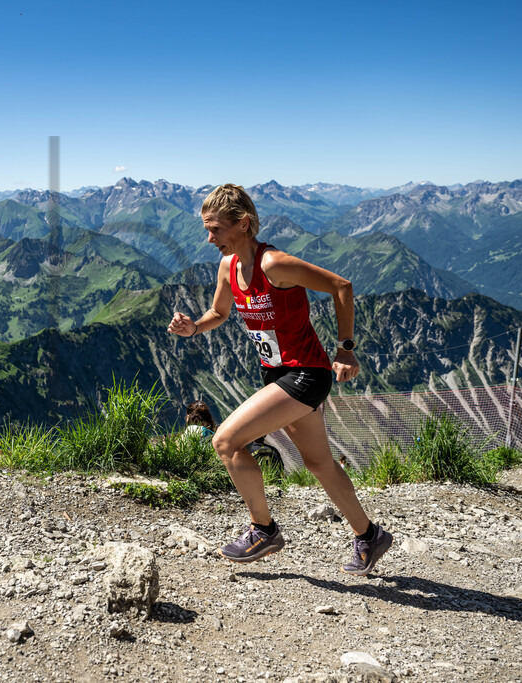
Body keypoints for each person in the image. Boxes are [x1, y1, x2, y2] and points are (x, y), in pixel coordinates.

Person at [167, 184, 393, 575]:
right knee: (319, 463)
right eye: (207, 230)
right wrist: (194, 327)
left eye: (216, 229)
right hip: (278, 373)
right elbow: (219, 313)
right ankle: (369, 535)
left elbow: (341, 286)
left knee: (226, 441)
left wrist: (345, 348)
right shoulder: (228, 267)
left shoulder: (274, 264)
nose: (210, 239)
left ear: (244, 224)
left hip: (306, 374)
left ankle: (263, 530)